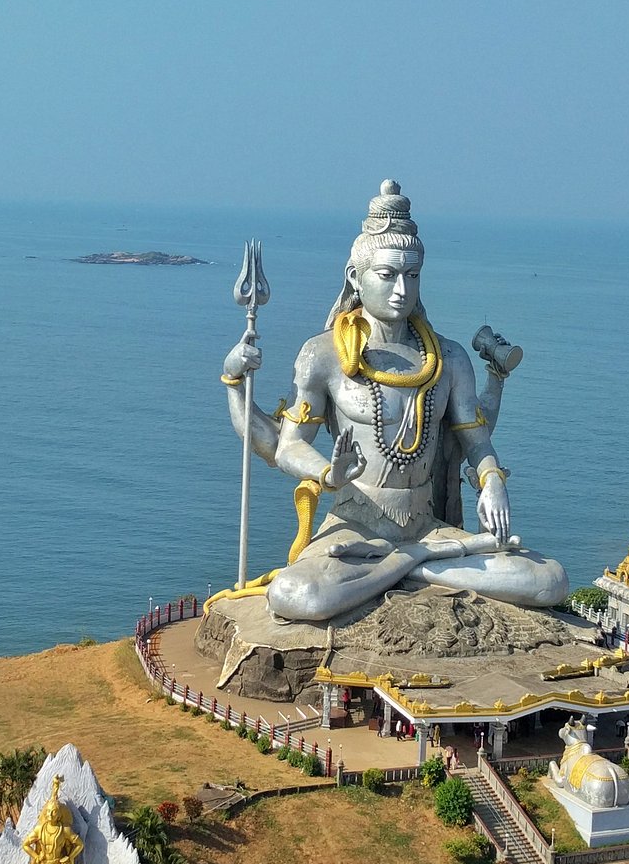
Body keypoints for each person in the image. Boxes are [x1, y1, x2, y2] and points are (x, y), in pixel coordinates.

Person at [221, 181, 568, 623]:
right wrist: (330, 473)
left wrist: (492, 481)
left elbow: (476, 441)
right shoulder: (323, 354)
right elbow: (288, 446)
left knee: (548, 579)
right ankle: (415, 565)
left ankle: (405, 562)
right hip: (354, 526)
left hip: (426, 525)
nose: (402, 289)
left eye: (413, 275)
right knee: (295, 593)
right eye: (387, 275)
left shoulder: (448, 358)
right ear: (355, 277)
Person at [21, 776, 85, 864]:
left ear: (59, 814)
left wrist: (70, 857)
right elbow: (25, 844)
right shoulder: (40, 829)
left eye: (54, 811)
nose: (50, 814)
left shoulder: (65, 830)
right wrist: (36, 856)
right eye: (48, 811)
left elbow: (79, 844)